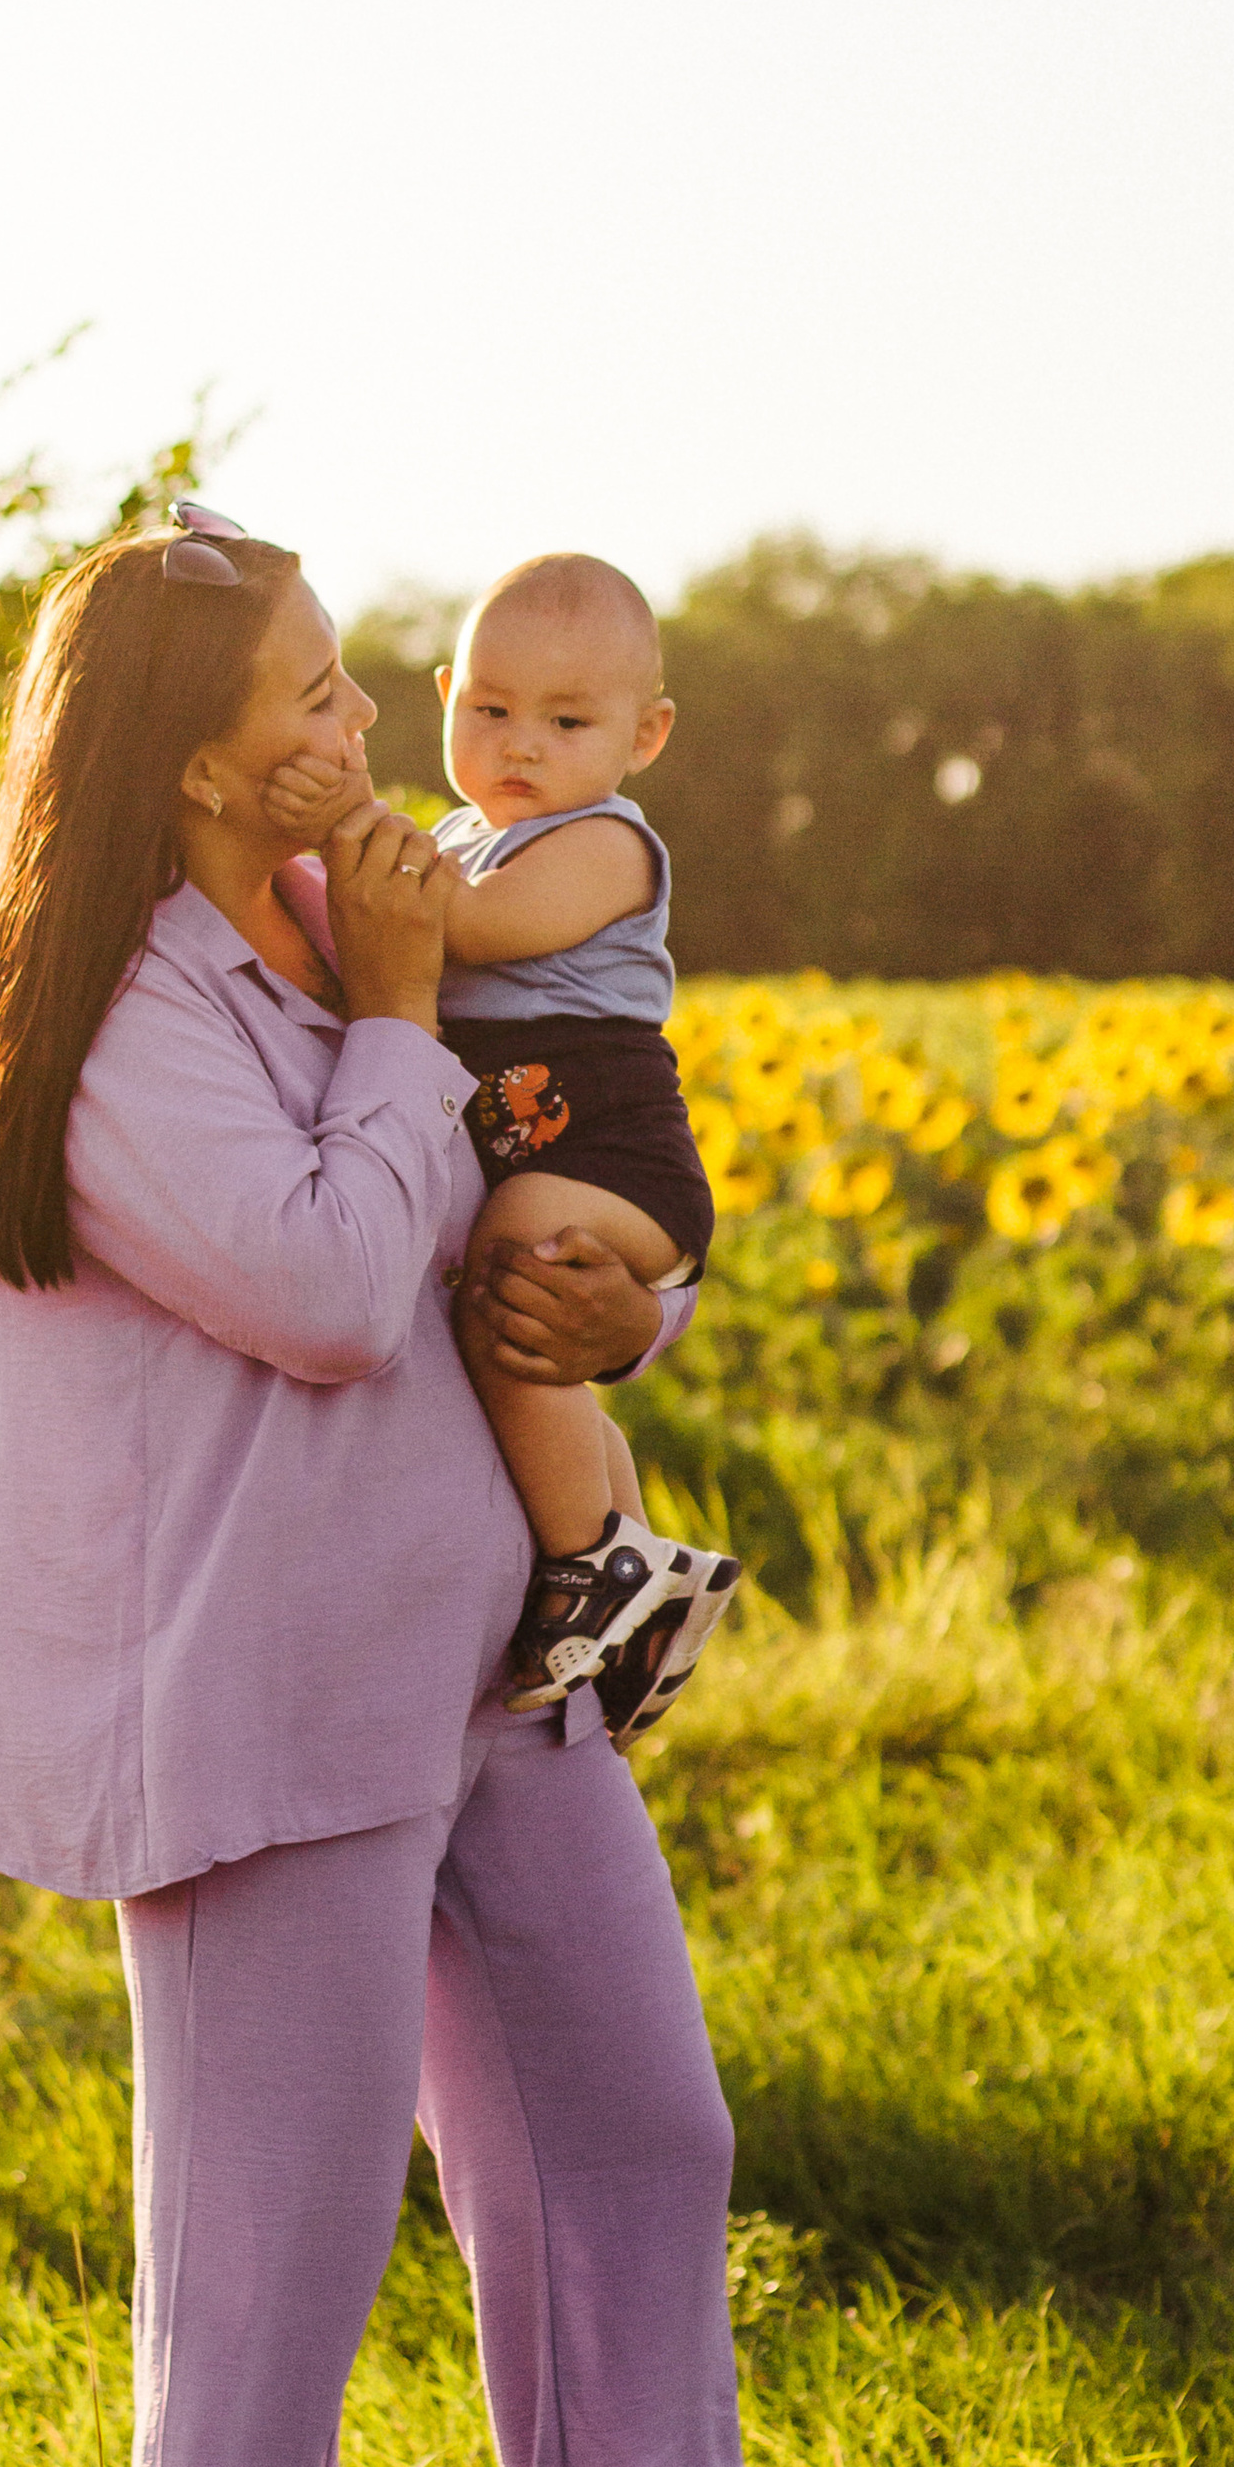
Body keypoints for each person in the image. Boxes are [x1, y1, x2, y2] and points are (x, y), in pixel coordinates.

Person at [0, 504, 790, 2467]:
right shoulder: (127, 1015)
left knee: (633, 2129)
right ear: (193, 764)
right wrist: (395, 1009)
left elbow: (537, 1180)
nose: (368, 715)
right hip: (264, 1701)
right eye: (310, 691)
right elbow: (316, 1282)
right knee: (270, 2252)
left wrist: (623, 1307)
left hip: (485, 1655)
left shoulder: (353, 909)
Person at [267, 553, 739, 1740]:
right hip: (541, 1139)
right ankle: (637, 1571)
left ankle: (591, 1562)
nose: (521, 744)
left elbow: (464, 929)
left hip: (611, 1150)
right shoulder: (461, 835)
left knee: (518, 1270)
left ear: (646, 736)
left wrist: (337, 824)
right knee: (524, 1329)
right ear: (443, 698)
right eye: (489, 710)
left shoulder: (605, 844)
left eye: (567, 723)